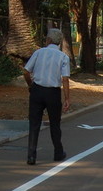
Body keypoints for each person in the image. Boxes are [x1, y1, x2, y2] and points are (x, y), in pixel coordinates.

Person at [23, 28, 71, 165]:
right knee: (55, 124)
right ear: (59, 42)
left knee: (34, 124)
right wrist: (67, 98)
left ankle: (31, 156)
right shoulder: (63, 57)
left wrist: (30, 85)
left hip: (37, 90)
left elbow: (26, 71)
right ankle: (58, 152)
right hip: (53, 93)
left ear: (48, 40)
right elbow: (65, 79)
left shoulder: (38, 53)